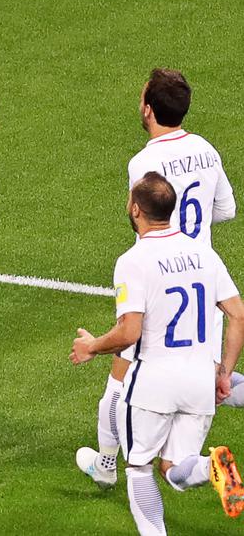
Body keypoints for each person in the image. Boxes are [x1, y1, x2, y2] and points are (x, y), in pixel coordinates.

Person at [77, 69, 242, 490]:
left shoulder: (144, 163)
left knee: (122, 373)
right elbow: (226, 210)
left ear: (148, 110)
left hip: (160, 276)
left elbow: (143, 218)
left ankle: (107, 464)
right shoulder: (207, 150)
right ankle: (126, 462)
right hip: (203, 282)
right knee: (210, 378)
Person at [70, 172, 244, 533]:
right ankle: (211, 466)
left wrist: (92, 347)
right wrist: (225, 372)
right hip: (199, 379)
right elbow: (237, 314)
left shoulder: (134, 260)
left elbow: (129, 332)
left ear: (135, 208)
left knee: (139, 468)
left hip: (153, 382)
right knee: (175, 470)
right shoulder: (203, 252)